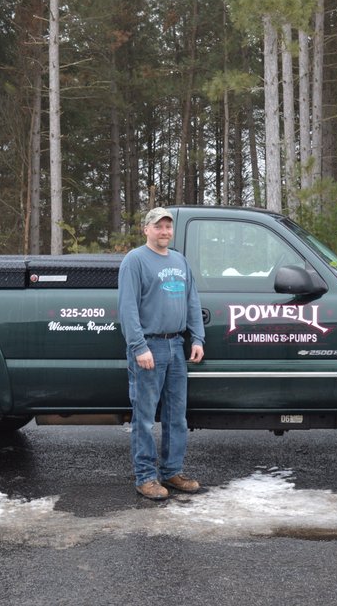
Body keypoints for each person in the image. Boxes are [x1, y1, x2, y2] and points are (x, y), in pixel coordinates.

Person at [118, 207, 205, 500]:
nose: (165, 231)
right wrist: (139, 346)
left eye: (168, 226)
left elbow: (192, 299)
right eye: (159, 226)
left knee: (176, 416)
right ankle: (145, 477)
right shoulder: (135, 260)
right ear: (147, 229)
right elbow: (127, 308)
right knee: (144, 417)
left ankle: (172, 471)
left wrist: (197, 338)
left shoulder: (180, 261)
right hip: (149, 348)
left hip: (176, 346)